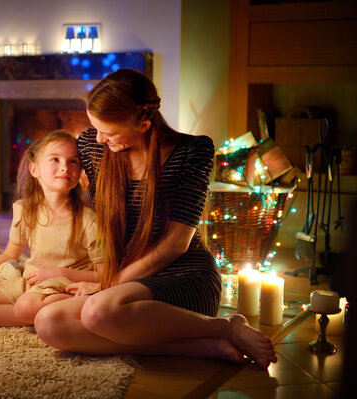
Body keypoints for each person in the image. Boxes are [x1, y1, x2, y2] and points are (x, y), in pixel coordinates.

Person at [33, 69, 277, 369]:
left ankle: (227, 326)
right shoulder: (93, 146)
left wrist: (109, 285)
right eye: (95, 128)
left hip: (182, 276)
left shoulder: (193, 150)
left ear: (144, 125)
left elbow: (177, 243)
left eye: (108, 132)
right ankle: (195, 347)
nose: (98, 138)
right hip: (123, 282)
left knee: (99, 312)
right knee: (48, 322)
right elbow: (62, 180)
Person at [0, 130, 103, 326]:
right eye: (55, 159)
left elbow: (103, 274)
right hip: (32, 281)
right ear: (34, 170)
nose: (65, 167)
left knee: (25, 306)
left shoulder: (88, 220)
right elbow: (11, 254)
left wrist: (60, 273)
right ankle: (45, 316)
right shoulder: (25, 210)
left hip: (65, 283)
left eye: (73, 161)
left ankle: (54, 310)